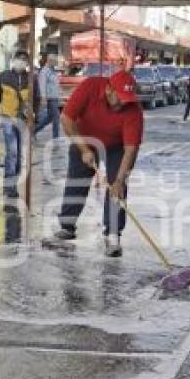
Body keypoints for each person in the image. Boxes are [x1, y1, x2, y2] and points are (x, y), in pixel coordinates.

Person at [53, 70, 144, 257]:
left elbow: (131, 149)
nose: (122, 103)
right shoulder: (90, 87)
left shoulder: (133, 110)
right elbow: (66, 119)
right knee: (76, 181)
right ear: (108, 90)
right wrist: (85, 150)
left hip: (116, 145)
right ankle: (67, 226)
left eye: (127, 99)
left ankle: (113, 234)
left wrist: (119, 180)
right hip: (84, 138)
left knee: (117, 188)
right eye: (119, 98)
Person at [0, 52, 38, 198]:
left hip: (22, 120)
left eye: (24, 60)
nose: (21, 62)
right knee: (12, 152)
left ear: (28, 63)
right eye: (19, 59)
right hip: (7, 118)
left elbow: (36, 98)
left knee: (18, 153)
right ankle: (9, 187)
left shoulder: (31, 78)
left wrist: (34, 115)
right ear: (13, 61)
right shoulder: (4, 76)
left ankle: (13, 184)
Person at [35, 53, 62, 138]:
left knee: (50, 118)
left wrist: (60, 94)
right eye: (55, 61)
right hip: (50, 98)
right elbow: (42, 84)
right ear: (50, 61)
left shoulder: (53, 70)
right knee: (56, 118)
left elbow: (56, 84)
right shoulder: (44, 71)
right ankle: (56, 138)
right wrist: (43, 97)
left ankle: (33, 131)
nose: (56, 62)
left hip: (55, 97)